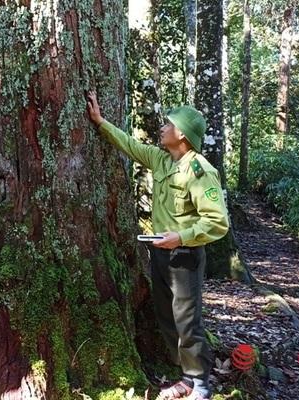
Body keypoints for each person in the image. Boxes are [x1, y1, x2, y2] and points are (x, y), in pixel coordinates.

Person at [86, 91, 229, 400]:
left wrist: (179, 237)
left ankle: (200, 384)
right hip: (160, 253)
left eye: (168, 124)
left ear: (182, 134)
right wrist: (100, 122)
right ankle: (187, 378)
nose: (162, 128)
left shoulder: (199, 170)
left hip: (185, 255)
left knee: (188, 322)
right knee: (166, 317)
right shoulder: (161, 159)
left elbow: (218, 222)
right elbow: (130, 145)